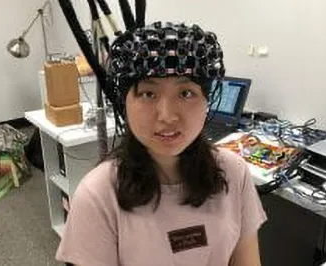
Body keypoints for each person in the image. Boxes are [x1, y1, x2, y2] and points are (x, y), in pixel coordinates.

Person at [56, 21, 267, 266]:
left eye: (185, 93)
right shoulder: (98, 195)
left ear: (207, 100)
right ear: (125, 102)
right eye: (148, 93)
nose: (166, 116)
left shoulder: (234, 172)